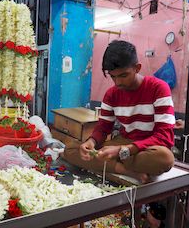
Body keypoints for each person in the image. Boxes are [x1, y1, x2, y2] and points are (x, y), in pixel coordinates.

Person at [63, 40, 175, 183]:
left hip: (149, 147)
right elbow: (103, 128)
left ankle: (110, 166)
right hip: (123, 144)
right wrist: (91, 142)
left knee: (165, 158)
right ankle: (127, 171)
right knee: (70, 149)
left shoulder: (159, 88)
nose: (118, 83)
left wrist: (123, 151)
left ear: (137, 68)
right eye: (113, 76)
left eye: (123, 75)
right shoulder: (111, 94)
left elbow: (164, 136)